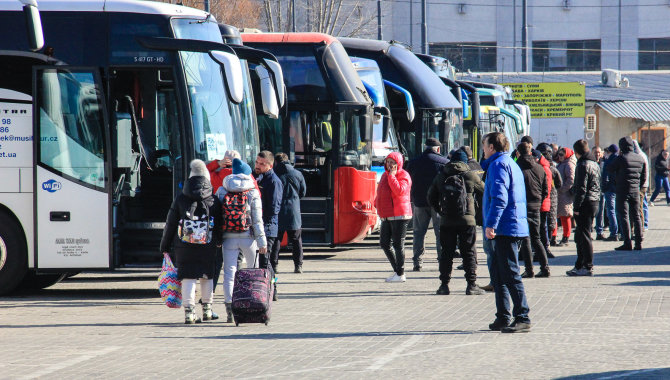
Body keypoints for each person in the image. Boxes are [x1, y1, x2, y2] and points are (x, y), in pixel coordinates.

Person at [160, 159, 223, 324]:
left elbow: (171, 223)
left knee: (187, 276)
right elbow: (220, 224)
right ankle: (207, 311)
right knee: (207, 275)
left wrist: (165, 245)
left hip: (184, 245)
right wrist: (219, 240)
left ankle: (189, 312)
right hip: (207, 244)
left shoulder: (181, 198)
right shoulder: (213, 199)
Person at [481, 132, 531, 333]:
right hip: (510, 225)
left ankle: (522, 316)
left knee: (510, 273)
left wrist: (491, 224)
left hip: (505, 227)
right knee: (499, 274)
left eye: (484, 145)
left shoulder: (498, 165)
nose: (483, 149)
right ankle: (503, 316)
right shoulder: (509, 162)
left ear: (492, 147)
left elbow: (499, 198)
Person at [427, 149, 485, 295]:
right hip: (467, 221)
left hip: (447, 221)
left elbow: (430, 197)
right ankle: (471, 285)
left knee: (447, 253)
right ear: (465, 161)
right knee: (469, 252)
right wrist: (476, 213)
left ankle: (444, 285)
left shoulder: (441, 176)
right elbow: (485, 192)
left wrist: (440, 211)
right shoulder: (470, 175)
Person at [405, 138, 448, 271]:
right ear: (438, 149)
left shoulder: (413, 162)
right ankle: (442, 261)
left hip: (419, 202)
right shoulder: (444, 163)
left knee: (418, 233)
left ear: (426, 147)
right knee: (440, 233)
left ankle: (417, 262)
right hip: (438, 204)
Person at [375, 152, 412, 282]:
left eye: (392, 162)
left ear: (398, 164)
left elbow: (400, 191)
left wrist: (392, 176)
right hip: (387, 215)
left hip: (400, 214)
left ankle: (400, 273)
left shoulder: (403, 175)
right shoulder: (385, 175)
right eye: (388, 162)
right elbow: (381, 193)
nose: (389, 165)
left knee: (398, 244)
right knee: (384, 243)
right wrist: (376, 204)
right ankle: (397, 270)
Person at [567, 140, 601, 276]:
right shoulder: (594, 163)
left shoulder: (582, 164)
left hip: (585, 203)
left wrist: (576, 206)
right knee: (581, 235)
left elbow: (581, 188)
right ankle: (580, 264)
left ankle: (587, 266)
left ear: (576, 152)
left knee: (584, 235)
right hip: (594, 201)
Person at [516, 144, 550, 278]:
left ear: (518, 153)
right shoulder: (539, 168)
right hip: (536, 206)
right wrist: (539, 201)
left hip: (522, 206)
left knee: (525, 239)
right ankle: (545, 267)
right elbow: (546, 190)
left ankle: (529, 270)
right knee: (537, 238)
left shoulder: (517, 167)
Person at [608, 137, 646, 251]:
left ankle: (627, 242)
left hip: (622, 190)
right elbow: (644, 177)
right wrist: (637, 186)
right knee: (636, 216)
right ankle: (638, 242)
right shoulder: (640, 158)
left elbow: (610, 168)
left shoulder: (621, 158)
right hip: (635, 190)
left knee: (624, 216)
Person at [272, 153, 307, 274]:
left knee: (276, 239)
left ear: (276, 162)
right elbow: (303, 192)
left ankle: (274, 265)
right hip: (293, 211)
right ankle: (298, 266)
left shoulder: (273, 174)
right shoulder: (297, 174)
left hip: (278, 210)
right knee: (296, 239)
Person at [253, 151, 283, 273]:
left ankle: (273, 288)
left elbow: (274, 208)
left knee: (265, 263)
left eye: (262, 164)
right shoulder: (256, 177)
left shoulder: (273, 182)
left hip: (268, 228)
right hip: (259, 226)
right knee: (261, 263)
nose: (257, 166)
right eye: (256, 162)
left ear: (270, 166)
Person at [537, 143, 563, 248]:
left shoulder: (538, 167)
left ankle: (544, 246)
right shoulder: (553, 168)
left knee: (542, 224)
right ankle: (547, 245)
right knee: (549, 222)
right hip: (551, 198)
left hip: (542, 198)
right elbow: (559, 184)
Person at [556, 147, 576, 246]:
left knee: (565, 216)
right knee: (561, 215)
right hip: (561, 194)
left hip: (565, 195)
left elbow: (571, 180)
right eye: (558, 154)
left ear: (566, 155)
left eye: (561, 155)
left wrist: (562, 189)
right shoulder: (562, 163)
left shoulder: (568, 164)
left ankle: (566, 237)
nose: (559, 157)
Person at [601, 144, 620, 241]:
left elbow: (605, 176)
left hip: (610, 189)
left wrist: (604, 187)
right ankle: (621, 232)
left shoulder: (608, 161)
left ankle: (613, 233)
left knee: (611, 211)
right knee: (619, 211)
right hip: (619, 189)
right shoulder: (620, 159)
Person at [632, 140, 650, 231]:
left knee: (639, 207)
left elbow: (642, 173)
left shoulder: (638, 156)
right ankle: (644, 225)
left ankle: (642, 227)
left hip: (641, 185)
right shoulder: (643, 155)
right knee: (643, 205)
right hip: (644, 184)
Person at [593, 146, 607, 241]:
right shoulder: (591, 162)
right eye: (595, 152)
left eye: (599, 152)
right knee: (591, 213)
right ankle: (589, 231)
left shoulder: (604, 163)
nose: (597, 154)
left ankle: (599, 231)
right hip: (592, 191)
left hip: (601, 191)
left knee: (600, 213)